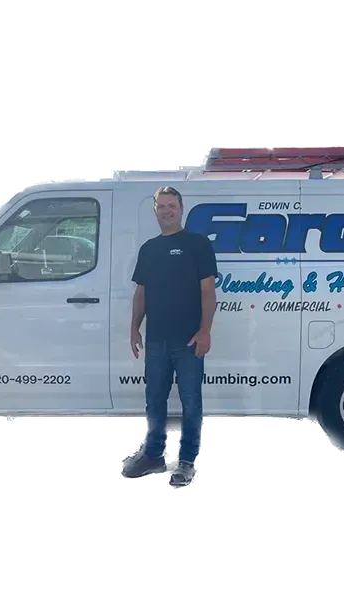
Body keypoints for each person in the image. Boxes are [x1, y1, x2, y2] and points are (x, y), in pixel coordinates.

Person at [119, 186, 218, 484]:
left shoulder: (198, 245)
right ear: (155, 211)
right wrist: (134, 327)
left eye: (171, 205)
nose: (166, 211)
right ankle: (153, 457)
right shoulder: (149, 249)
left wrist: (204, 331)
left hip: (189, 341)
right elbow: (141, 292)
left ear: (181, 208)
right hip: (157, 341)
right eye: (161, 206)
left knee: (191, 404)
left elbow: (208, 292)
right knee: (154, 403)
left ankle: (186, 462)